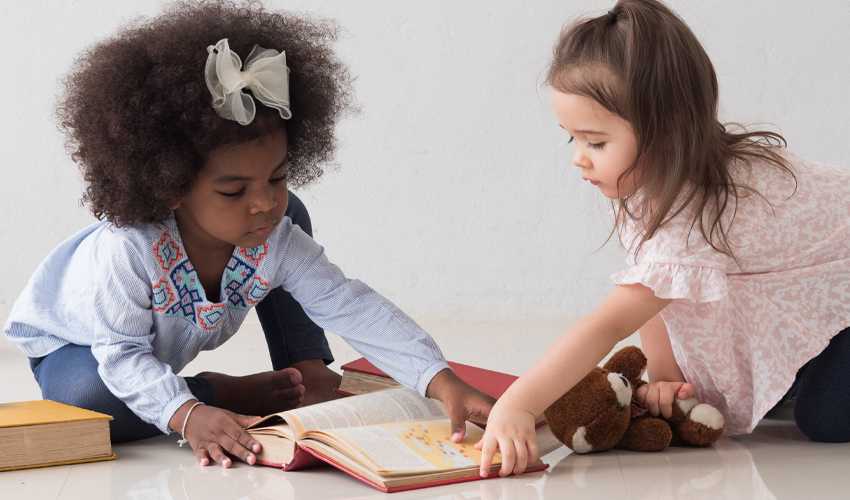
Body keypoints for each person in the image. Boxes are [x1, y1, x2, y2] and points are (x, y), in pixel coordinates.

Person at [3, 0, 492, 468]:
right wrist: (189, 413)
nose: (263, 201)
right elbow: (121, 355)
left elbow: (350, 304)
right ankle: (218, 391)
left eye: (277, 176)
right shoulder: (129, 248)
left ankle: (302, 368)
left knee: (284, 218)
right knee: (88, 400)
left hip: (146, 350)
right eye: (234, 190)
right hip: (79, 346)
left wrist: (438, 379)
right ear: (172, 187)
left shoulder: (275, 234)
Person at [476, 0, 850, 477]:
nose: (579, 157)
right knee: (767, 393)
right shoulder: (652, 182)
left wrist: (518, 404)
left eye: (595, 141)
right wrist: (665, 378)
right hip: (817, 270)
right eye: (571, 138)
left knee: (829, 421)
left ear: (668, 130)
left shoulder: (694, 214)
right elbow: (653, 284)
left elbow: (609, 325)